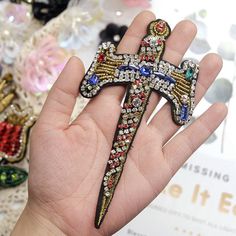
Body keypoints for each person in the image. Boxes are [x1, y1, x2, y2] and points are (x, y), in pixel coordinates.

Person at [11, 11, 227, 236]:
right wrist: (48, 221)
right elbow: (95, 78)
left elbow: (181, 93)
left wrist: (48, 222)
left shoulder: (156, 72)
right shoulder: (133, 66)